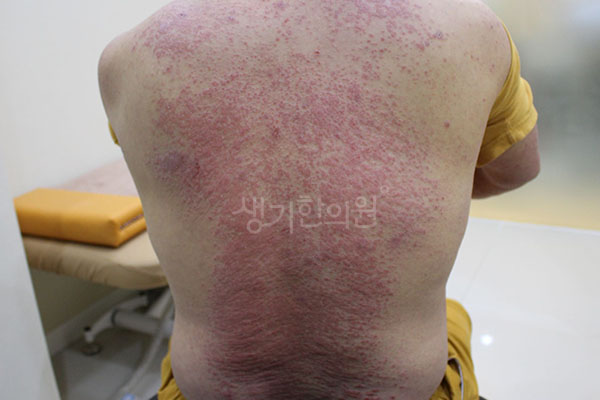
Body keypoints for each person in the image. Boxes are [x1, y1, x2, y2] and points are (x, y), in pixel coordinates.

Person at [99, 0, 539, 399]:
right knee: (453, 315)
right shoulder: (473, 32)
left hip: (204, 391)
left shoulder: (126, 58)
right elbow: (516, 170)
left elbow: (175, 193)